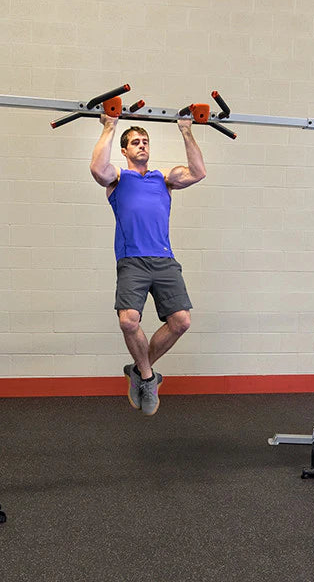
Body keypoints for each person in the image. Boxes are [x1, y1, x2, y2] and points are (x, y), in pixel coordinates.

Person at [90, 113, 206, 416]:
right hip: (132, 261)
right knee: (128, 320)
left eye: (145, 142)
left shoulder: (163, 178)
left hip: (165, 259)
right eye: (135, 143)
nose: (142, 145)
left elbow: (198, 172)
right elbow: (98, 169)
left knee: (181, 321)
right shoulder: (118, 178)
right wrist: (110, 125)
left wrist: (186, 130)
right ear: (125, 150)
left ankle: (140, 371)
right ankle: (147, 377)